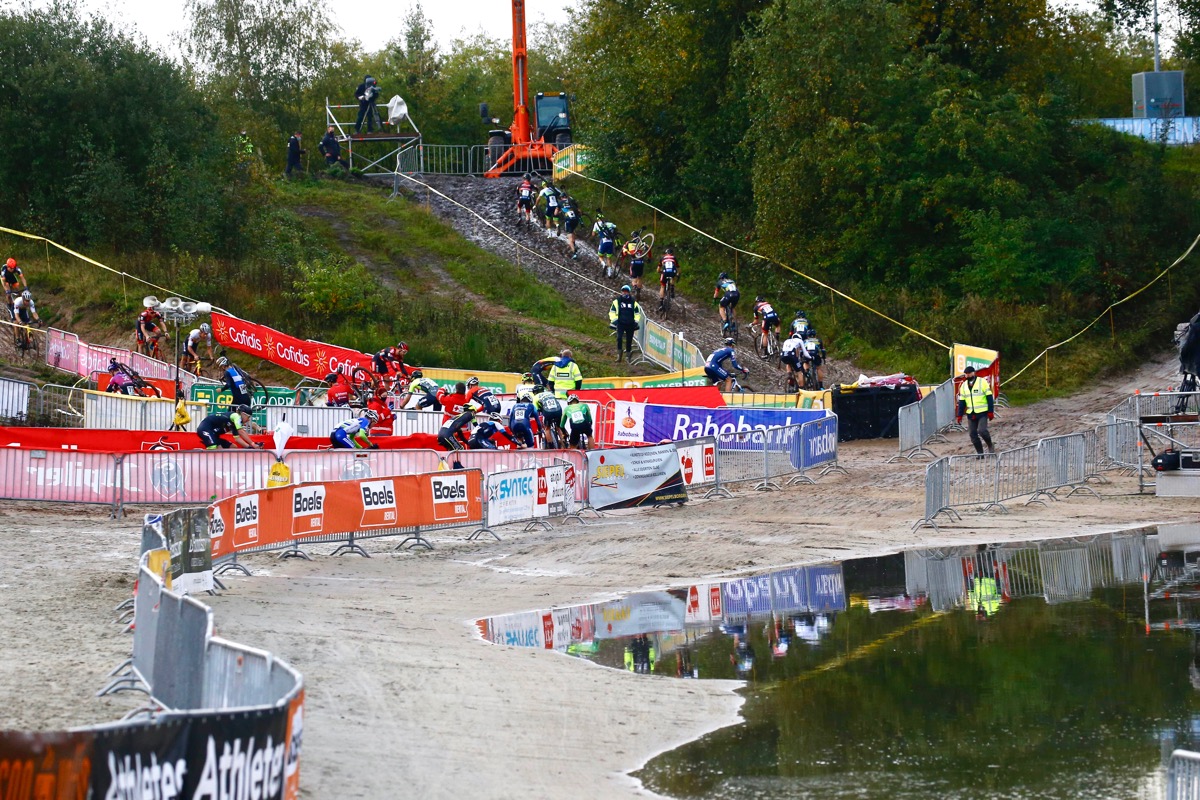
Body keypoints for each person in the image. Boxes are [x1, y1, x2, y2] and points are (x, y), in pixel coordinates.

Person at [956, 365, 995, 455]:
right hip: (971, 413)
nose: (967, 375)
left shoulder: (982, 382)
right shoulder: (963, 386)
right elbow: (962, 402)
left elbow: (989, 397)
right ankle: (980, 453)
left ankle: (990, 445)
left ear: (974, 373)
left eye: (969, 373)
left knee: (982, 430)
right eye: (966, 374)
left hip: (982, 412)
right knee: (972, 434)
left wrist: (990, 411)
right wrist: (959, 415)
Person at [608, 285, 643, 363]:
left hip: (630, 323)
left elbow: (637, 313)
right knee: (619, 338)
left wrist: (636, 322)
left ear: (629, 292)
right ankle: (619, 355)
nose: (625, 293)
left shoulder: (633, 302)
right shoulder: (617, 301)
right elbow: (612, 312)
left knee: (629, 340)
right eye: (623, 291)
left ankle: (628, 357)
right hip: (620, 323)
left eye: (626, 291)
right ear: (621, 292)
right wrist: (615, 321)